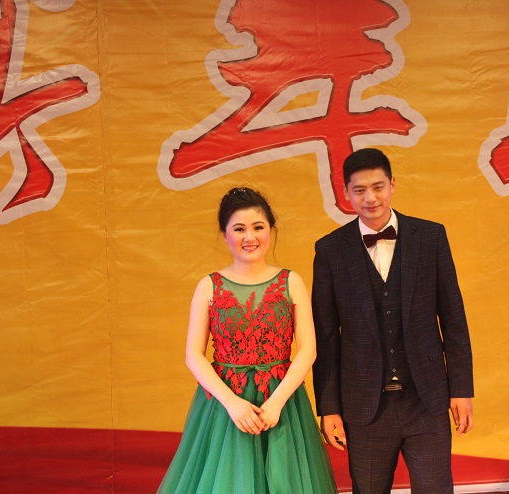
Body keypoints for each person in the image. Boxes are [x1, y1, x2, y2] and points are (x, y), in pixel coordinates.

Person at [311, 148, 474, 494]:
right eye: (359, 190)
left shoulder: (430, 237)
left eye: (378, 187)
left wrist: (461, 389)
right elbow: (326, 339)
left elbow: (454, 319)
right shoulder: (330, 250)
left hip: (426, 399)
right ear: (345, 193)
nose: (370, 198)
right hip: (364, 405)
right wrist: (329, 408)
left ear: (393, 185)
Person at [158, 187, 338, 494]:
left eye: (258, 227)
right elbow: (193, 355)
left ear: (270, 230)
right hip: (224, 407)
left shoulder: (291, 282)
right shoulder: (208, 286)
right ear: (225, 234)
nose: (249, 237)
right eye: (239, 229)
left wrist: (276, 403)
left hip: (282, 404)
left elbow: (308, 350)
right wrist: (232, 403)